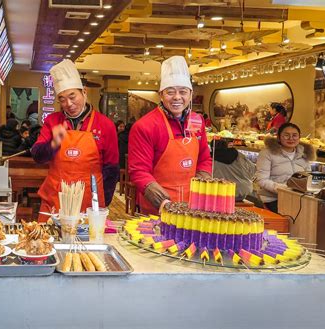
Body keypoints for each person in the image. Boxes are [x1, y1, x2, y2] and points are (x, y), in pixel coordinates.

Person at [32, 59, 119, 221]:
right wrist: (53, 144)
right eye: (62, 99)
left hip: (89, 201)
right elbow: (37, 156)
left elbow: (111, 169)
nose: (69, 104)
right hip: (55, 199)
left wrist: (102, 202)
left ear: (84, 92)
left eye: (72, 96)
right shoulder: (52, 120)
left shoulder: (105, 125)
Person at [128, 56, 212, 215]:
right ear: (161, 94)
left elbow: (204, 158)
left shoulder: (197, 121)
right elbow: (139, 171)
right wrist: (163, 203)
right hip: (158, 208)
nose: (177, 97)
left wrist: (203, 187)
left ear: (191, 94)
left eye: (183, 92)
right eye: (170, 92)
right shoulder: (145, 126)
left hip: (193, 208)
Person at [255, 123, 315, 213]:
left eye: (294, 135)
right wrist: (284, 190)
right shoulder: (267, 153)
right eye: (286, 135)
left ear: (299, 137)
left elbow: (308, 178)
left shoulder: (304, 155)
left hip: (298, 199)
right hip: (272, 199)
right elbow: (262, 180)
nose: (291, 138)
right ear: (279, 137)